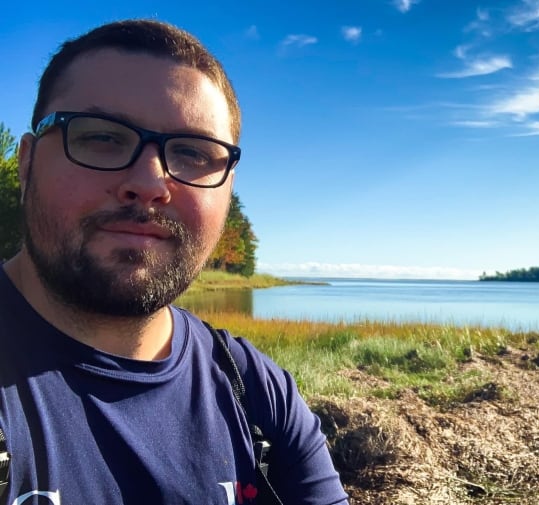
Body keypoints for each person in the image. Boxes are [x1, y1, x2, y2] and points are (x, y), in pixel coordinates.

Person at [0, 19, 349, 505]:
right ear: (28, 163)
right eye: (101, 137)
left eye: (192, 152)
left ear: (227, 191)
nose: (149, 182)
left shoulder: (258, 394)